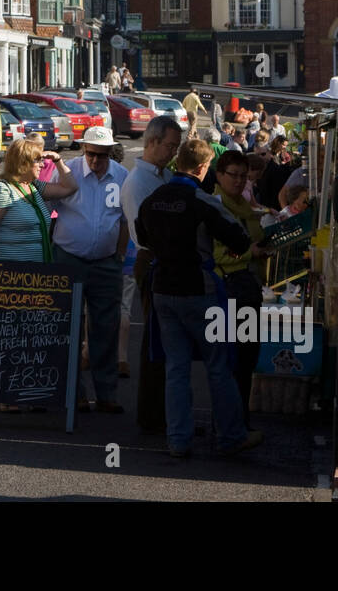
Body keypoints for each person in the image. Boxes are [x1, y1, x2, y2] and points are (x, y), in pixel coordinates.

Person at [136, 139, 264, 458]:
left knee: (176, 367)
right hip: (199, 289)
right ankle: (232, 436)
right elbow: (238, 238)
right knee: (218, 365)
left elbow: (141, 236)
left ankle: (178, 440)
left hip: (163, 288)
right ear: (204, 168)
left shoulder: (153, 199)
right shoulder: (202, 200)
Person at [0, 138, 78, 412]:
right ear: (22, 163)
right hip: (11, 276)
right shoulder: (4, 191)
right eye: (37, 160)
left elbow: (70, 187)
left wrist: (58, 160)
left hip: (37, 277)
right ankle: (6, 395)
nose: (42, 164)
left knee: (32, 336)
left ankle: (29, 391)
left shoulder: (34, 188)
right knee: (11, 337)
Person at [50, 126, 130, 413]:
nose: (96, 160)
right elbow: (47, 209)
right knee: (69, 326)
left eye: (102, 155)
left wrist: (119, 255)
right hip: (68, 258)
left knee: (105, 330)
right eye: (92, 154)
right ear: (84, 149)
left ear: (110, 152)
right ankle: (75, 392)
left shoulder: (121, 176)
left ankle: (107, 393)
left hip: (106, 263)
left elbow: (124, 220)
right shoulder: (67, 171)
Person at [120, 115, 186, 433]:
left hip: (167, 260)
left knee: (165, 343)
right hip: (153, 260)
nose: (173, 152)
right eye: (169, 146)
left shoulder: (164, 174)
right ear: (152, 142)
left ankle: (163, 413)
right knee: (155, 342)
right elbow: (143, 233)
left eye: (176, 147)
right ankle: (152, 416)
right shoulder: (138, 182)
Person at [211, 149, 269, 427]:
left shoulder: (243, 207)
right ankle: (230, 424)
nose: (238, 181)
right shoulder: (216, 207)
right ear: (219, 175)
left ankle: (237, 420)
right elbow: (217, 255)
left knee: (246, 359)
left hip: (248, 289)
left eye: (243, 176)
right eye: (232, 175)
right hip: (230, 290)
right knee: (234, 360)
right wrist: (251, 254)